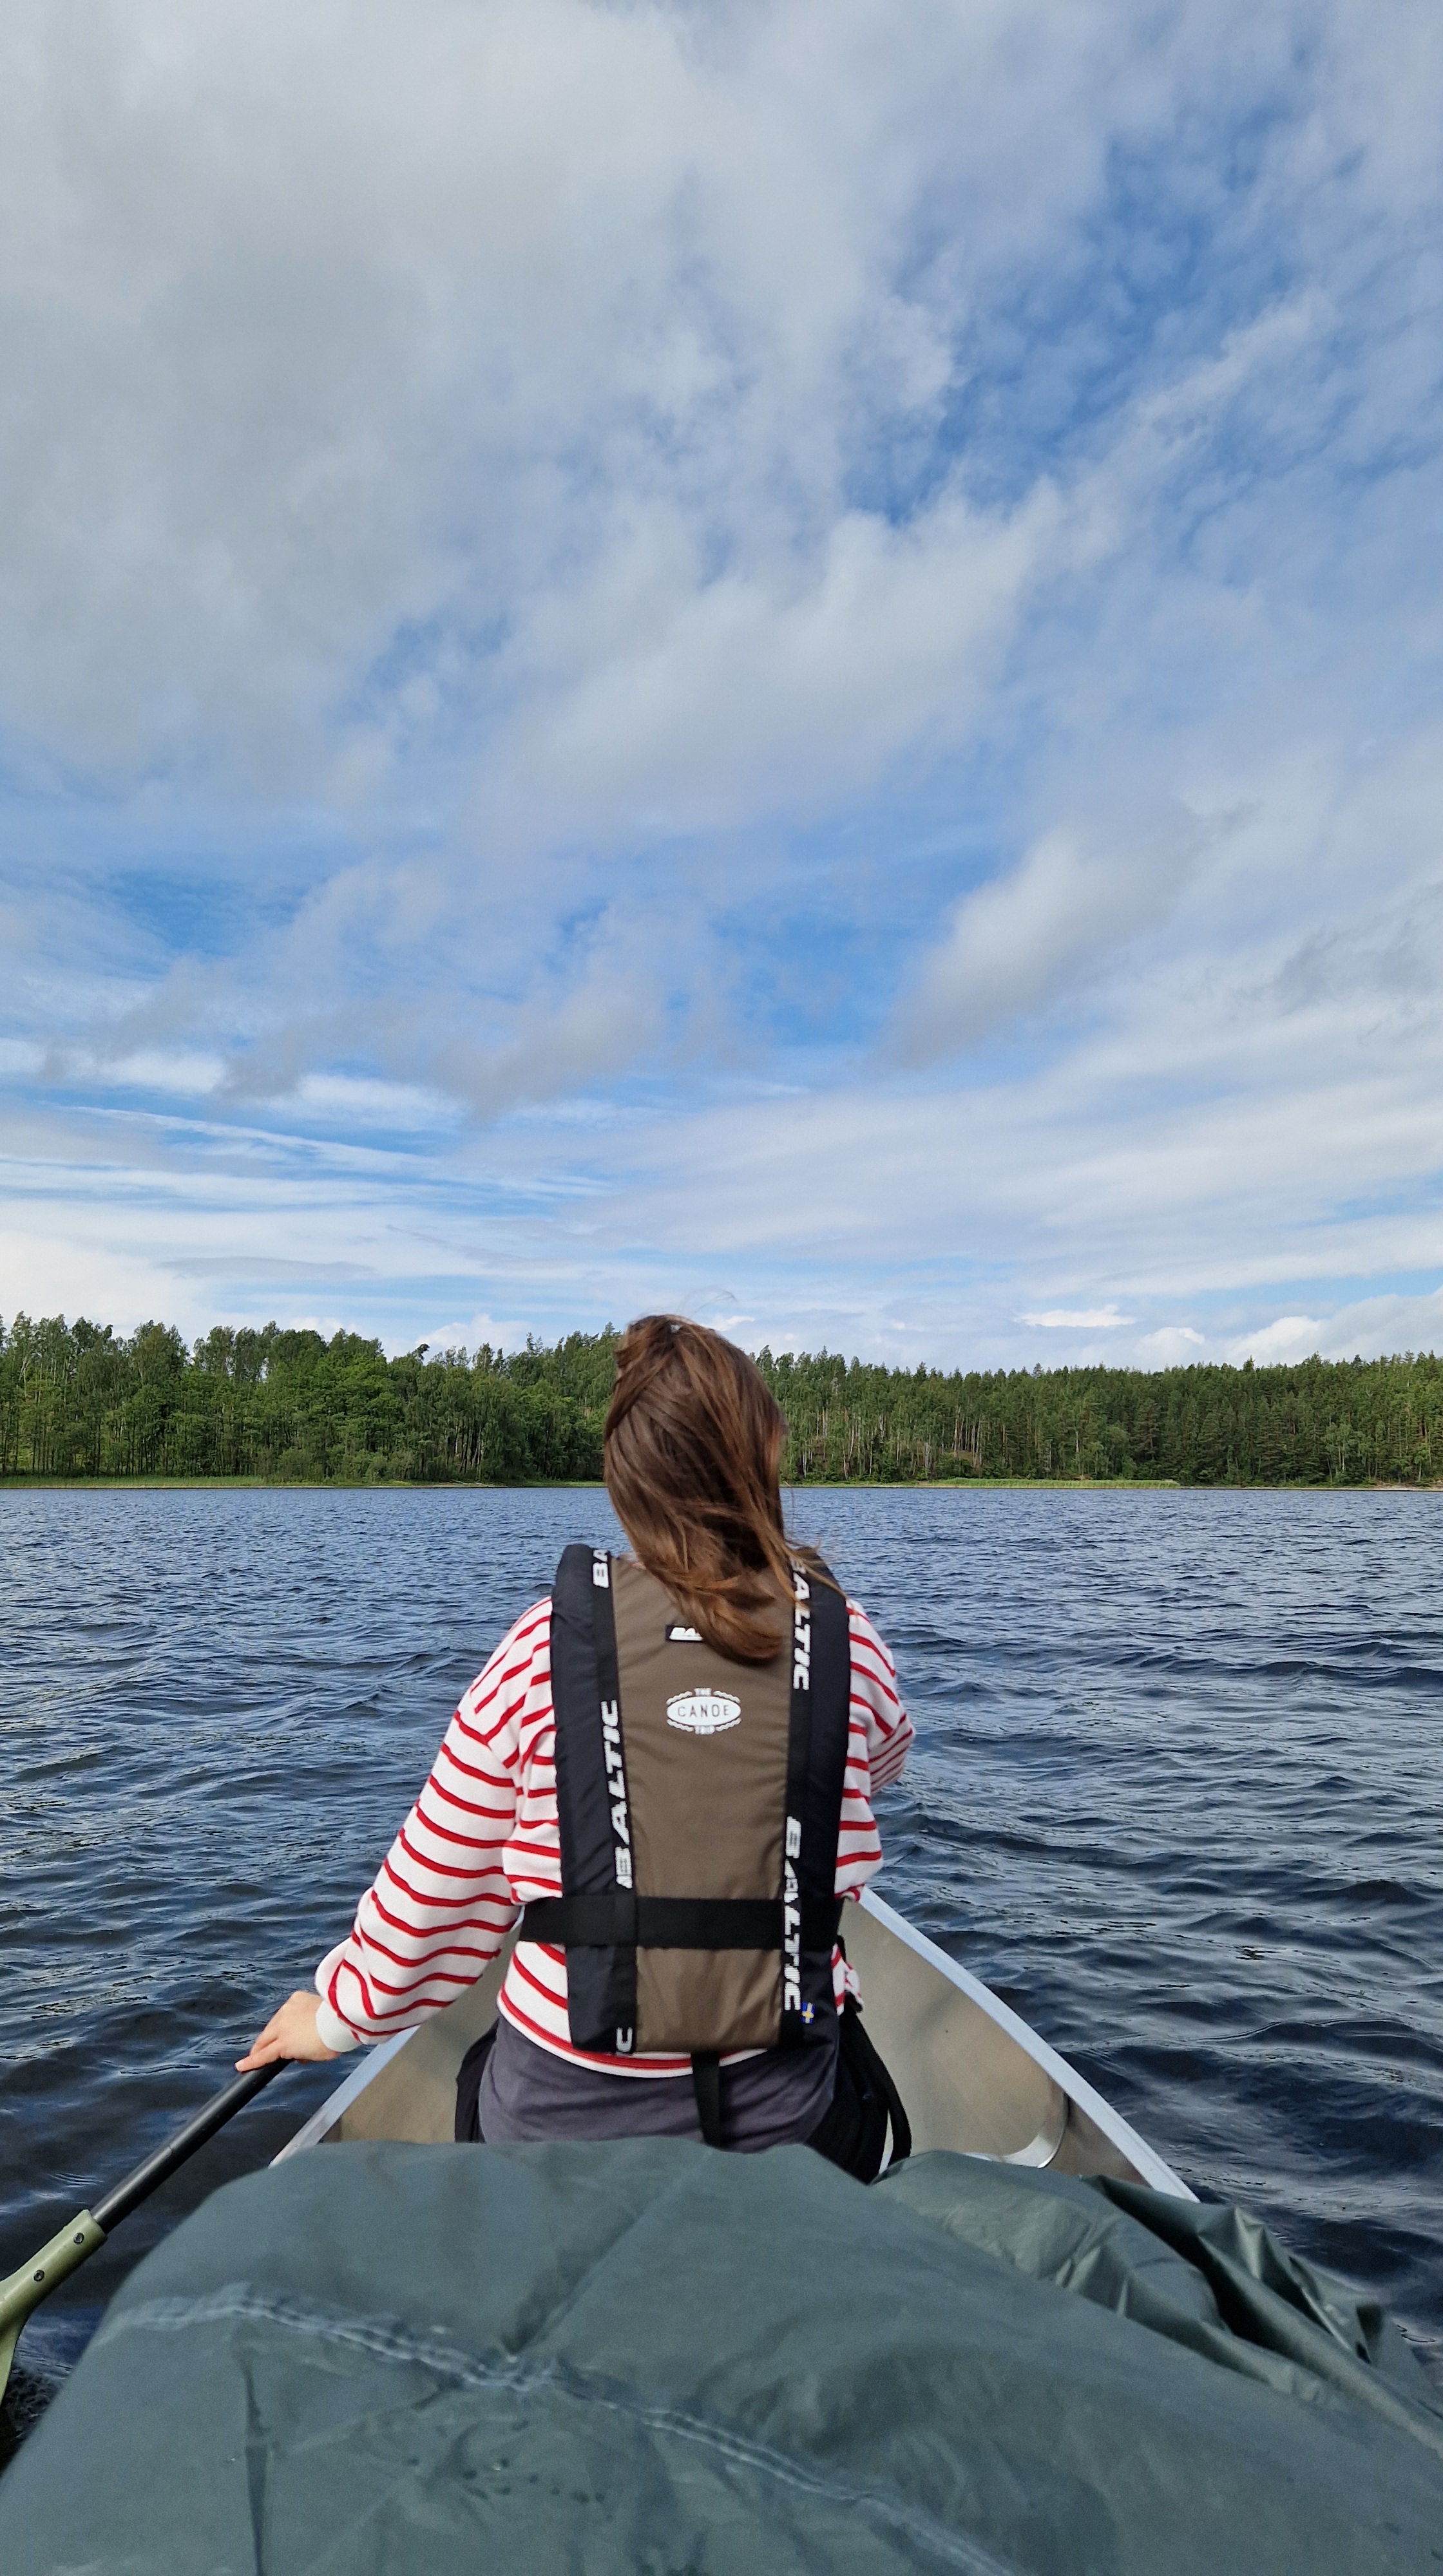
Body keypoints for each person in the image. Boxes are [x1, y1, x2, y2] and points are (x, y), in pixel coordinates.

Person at [240, 1316, 913, 2170]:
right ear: (763, 1461)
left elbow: (439, 1885)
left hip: (558, 2127)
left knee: (480, 2074)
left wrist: (334, 2019)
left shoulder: (540, 1650)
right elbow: (876, 1765)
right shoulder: (848, 1641)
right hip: (788, 2127)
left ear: (624, 1481)